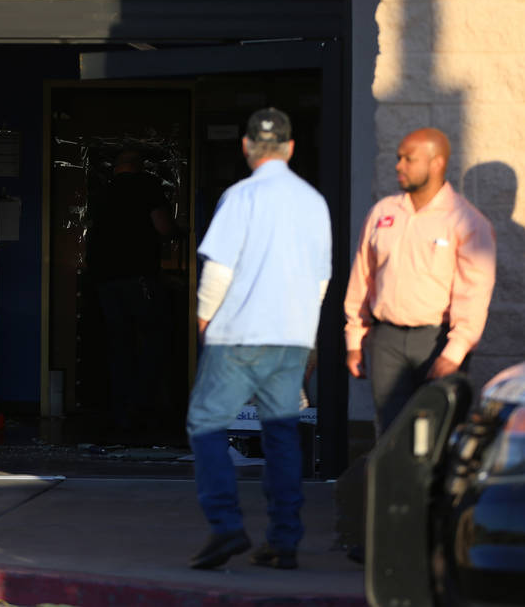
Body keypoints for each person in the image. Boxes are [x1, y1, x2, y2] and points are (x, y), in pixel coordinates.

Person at [186, 108, 331, 570]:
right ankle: (283, 539)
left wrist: (205, 322)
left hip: (239, 335)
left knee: (206, 422)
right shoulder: (314, 202)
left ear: (247, 147)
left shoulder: (240, 196)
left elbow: (219, 271)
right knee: (282, 435)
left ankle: (227, 525)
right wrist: (310, 340)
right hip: (291, 336)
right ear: (290, 149)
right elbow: (321, 280)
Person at [344, 127, 496, 435]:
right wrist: (354, 340)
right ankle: (393, 486)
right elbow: (363, 277)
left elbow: (474, 293)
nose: (398, 165)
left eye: (408, 159)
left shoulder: (465, 220)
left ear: (436, 163)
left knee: (435, 434)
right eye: (399, 158)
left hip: (436, 341)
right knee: (390, 433)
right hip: (386, 340)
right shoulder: (382, 213)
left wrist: (454, 353)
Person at [89, 148, 175, 433]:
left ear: (116, 167)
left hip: (105, 278)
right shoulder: (147, 186)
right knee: (151, 339)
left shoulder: (102, 191)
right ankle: (146, 408)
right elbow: (163, 227)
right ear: (138, 166)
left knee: (118, 344)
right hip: (138, 276)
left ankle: (120, 410)